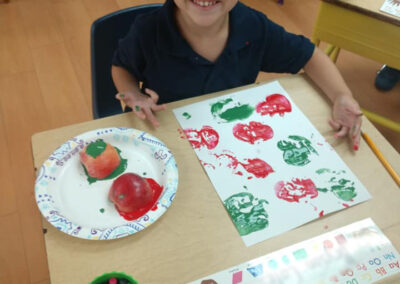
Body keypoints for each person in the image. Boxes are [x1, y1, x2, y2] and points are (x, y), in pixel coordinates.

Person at [111, 0, 362, 150]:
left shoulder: (253, 26)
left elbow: (310, 55)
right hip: (166, 136)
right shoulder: (148, 30)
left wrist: (342, 95)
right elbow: (122, 67)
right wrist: (132, 94)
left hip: (231, 137)